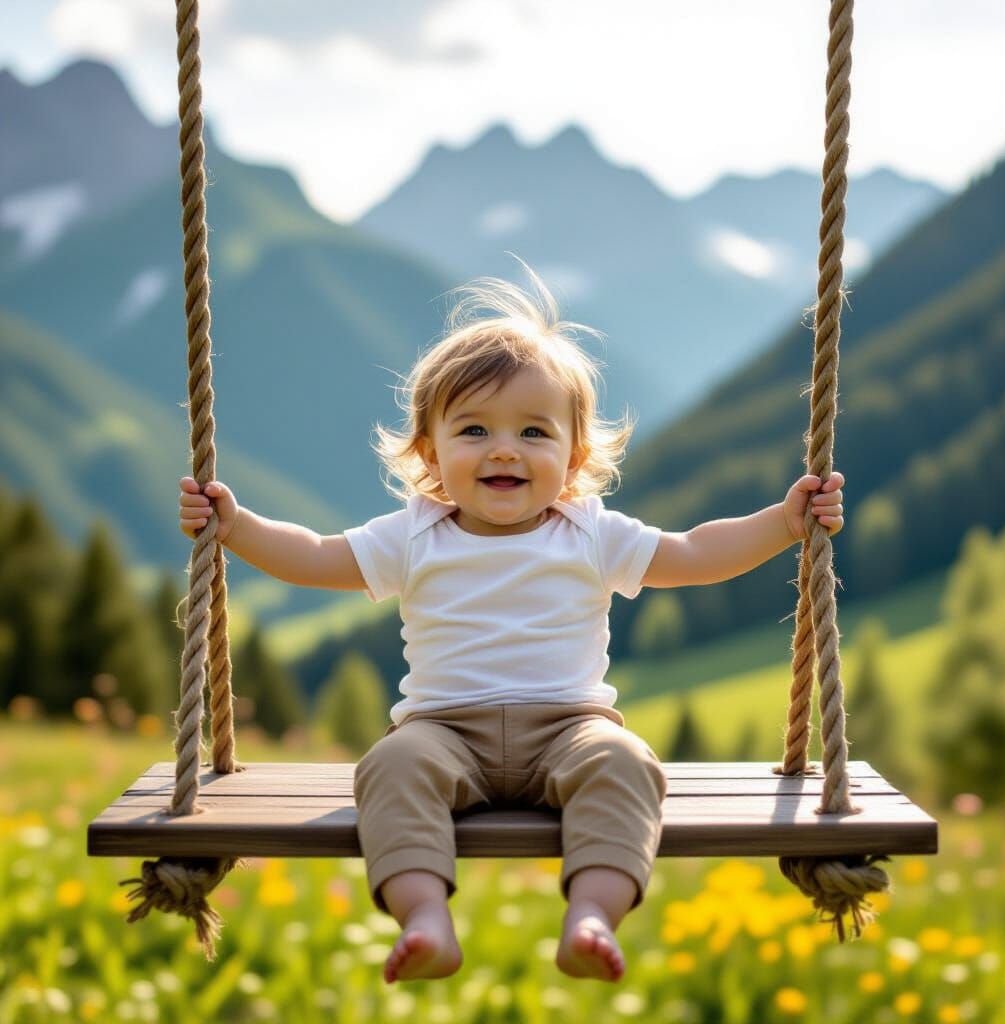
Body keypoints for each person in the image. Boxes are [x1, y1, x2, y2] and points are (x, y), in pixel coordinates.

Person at [178, 265, 845, 985]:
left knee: (627, 766)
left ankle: (591, 913)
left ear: (574, 456)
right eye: (474, 430)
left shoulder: (588, 533)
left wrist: (783, 523)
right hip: (441, 732)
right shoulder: (415, 535)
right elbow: (312, 556)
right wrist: (236, 526)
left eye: (534, 431)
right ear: (431, 452)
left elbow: (694, 553)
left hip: (571, 728)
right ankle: (425, 916)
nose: (504, 449)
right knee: (389, 770)